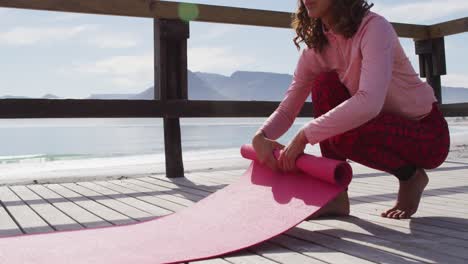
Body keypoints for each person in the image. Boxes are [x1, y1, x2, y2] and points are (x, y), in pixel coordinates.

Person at [251, 0, 450, 220]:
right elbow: (288, 109)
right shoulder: (316, 49)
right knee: (324, 83)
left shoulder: (374, 28)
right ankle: (336, 194)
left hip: (427, 135)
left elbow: (370, 102)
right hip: (378, 126)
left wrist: (303, 136)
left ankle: (410, 176)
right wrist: (261, 136)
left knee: (341, 134)